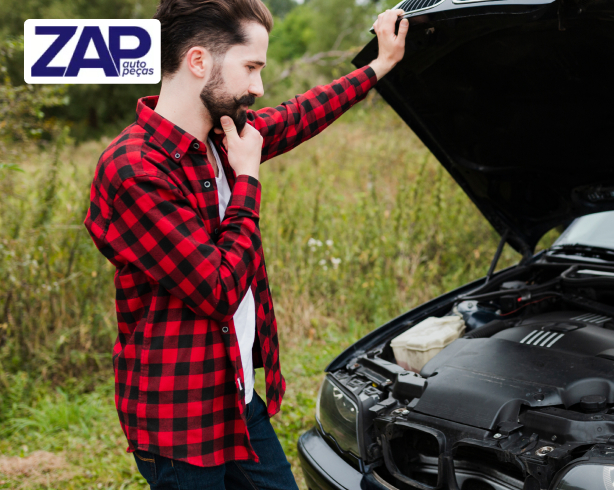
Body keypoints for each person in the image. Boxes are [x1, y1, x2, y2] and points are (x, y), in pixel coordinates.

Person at [82, 0, 407, 487]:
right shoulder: (135, 169)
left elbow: (300, 115)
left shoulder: (222, 134)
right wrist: (248, 177)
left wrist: (378, 66)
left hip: (237, 398)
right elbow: (219, 288)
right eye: (251, 67)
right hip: (181, 424)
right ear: (198, 62)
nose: (258, 87)